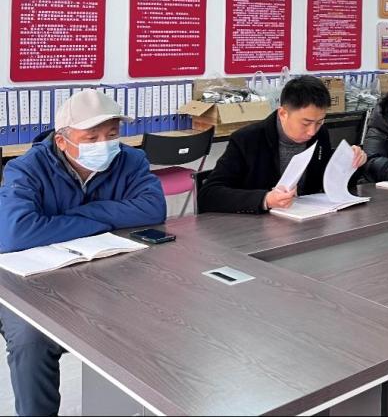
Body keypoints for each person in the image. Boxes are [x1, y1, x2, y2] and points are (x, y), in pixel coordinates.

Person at [0, 89, 166, 417]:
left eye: (112, 134)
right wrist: (110, 217)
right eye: (91, 138)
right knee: (32, 338)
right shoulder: (27, 168)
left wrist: (80, 216)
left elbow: (153, 209)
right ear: (62, 141)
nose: (104, 144)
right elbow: (15, 234)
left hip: (107, 273)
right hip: (31, 281)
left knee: (156, 315)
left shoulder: (130, 160)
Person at [198, 75, 367, 214]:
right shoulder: (247, 140)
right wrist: (265, 199)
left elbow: (327, 183)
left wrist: (351, 164)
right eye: (306, 123)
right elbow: (208, 195)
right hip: (255, 228)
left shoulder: (320, 134)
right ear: (283, 113)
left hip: (307, 221)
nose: (312, 131)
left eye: (319, 122)